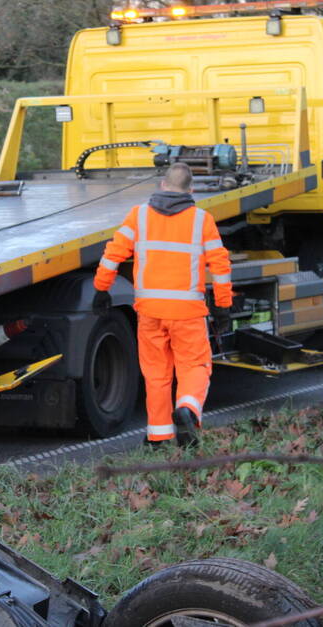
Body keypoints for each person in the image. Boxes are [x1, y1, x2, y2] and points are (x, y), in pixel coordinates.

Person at [92, 162, 233, 447]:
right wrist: (222, 305)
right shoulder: (201, 219)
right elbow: (220, 264)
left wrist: (101, 288)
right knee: (194, 366)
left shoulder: (139, 216)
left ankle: (158, 436)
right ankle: (188, 409)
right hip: (187, 313)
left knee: (156, 374)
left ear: (162, 185)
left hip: (150, 312)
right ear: (190, 190)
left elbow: (113, 252)